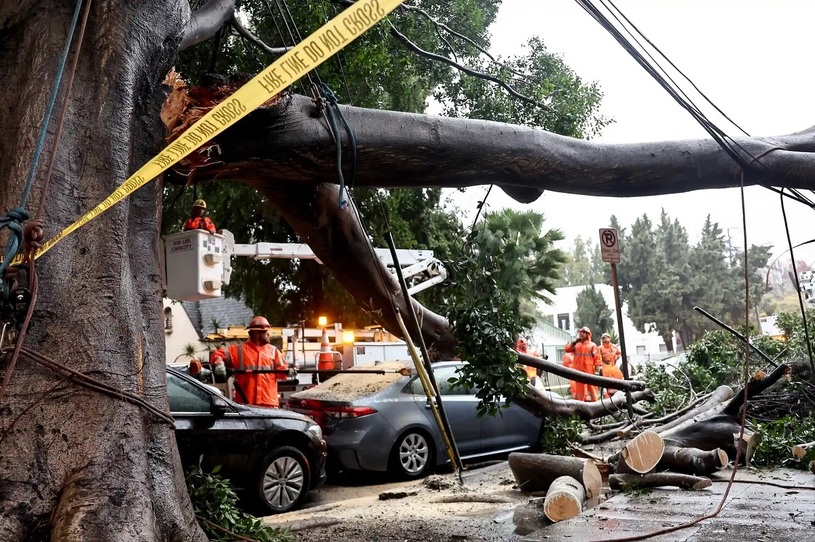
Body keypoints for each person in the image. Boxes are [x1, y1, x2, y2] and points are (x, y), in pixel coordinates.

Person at [210, 316, 288, 408]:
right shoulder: (239, 350)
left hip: (269, 405)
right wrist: (219, 363)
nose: (268, 335)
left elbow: (282, 373)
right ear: (256, 333)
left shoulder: (273, 351)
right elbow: (217, 354)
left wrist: (288, 371)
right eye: (266, 332)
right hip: (246, 405)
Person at [564, 326, 602, 401]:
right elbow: (567, 349)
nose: (582, 334)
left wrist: (597, 372)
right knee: (579, 389)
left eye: (584, 333)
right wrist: (574, 342)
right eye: (581, 332)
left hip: (589, 370)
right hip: (578, 370)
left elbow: (597, 359)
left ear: (588, 334)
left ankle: (595, 403)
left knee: (592, 388)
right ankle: (580, 404)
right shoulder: (576, 345)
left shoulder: (592, 345)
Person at [598, 333, 623, 398]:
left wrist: (616, 357)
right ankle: (608, 398)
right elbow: (598, 358)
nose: (606, 339)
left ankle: (619, 395)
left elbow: (619, 353)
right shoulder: (600, 348)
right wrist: (602, 361)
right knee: (607, 382)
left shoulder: (614, 346)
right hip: (605, 367)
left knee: (620, 379)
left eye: (607, 337)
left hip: (613, 366)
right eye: (604, 338)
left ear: (610, 338)